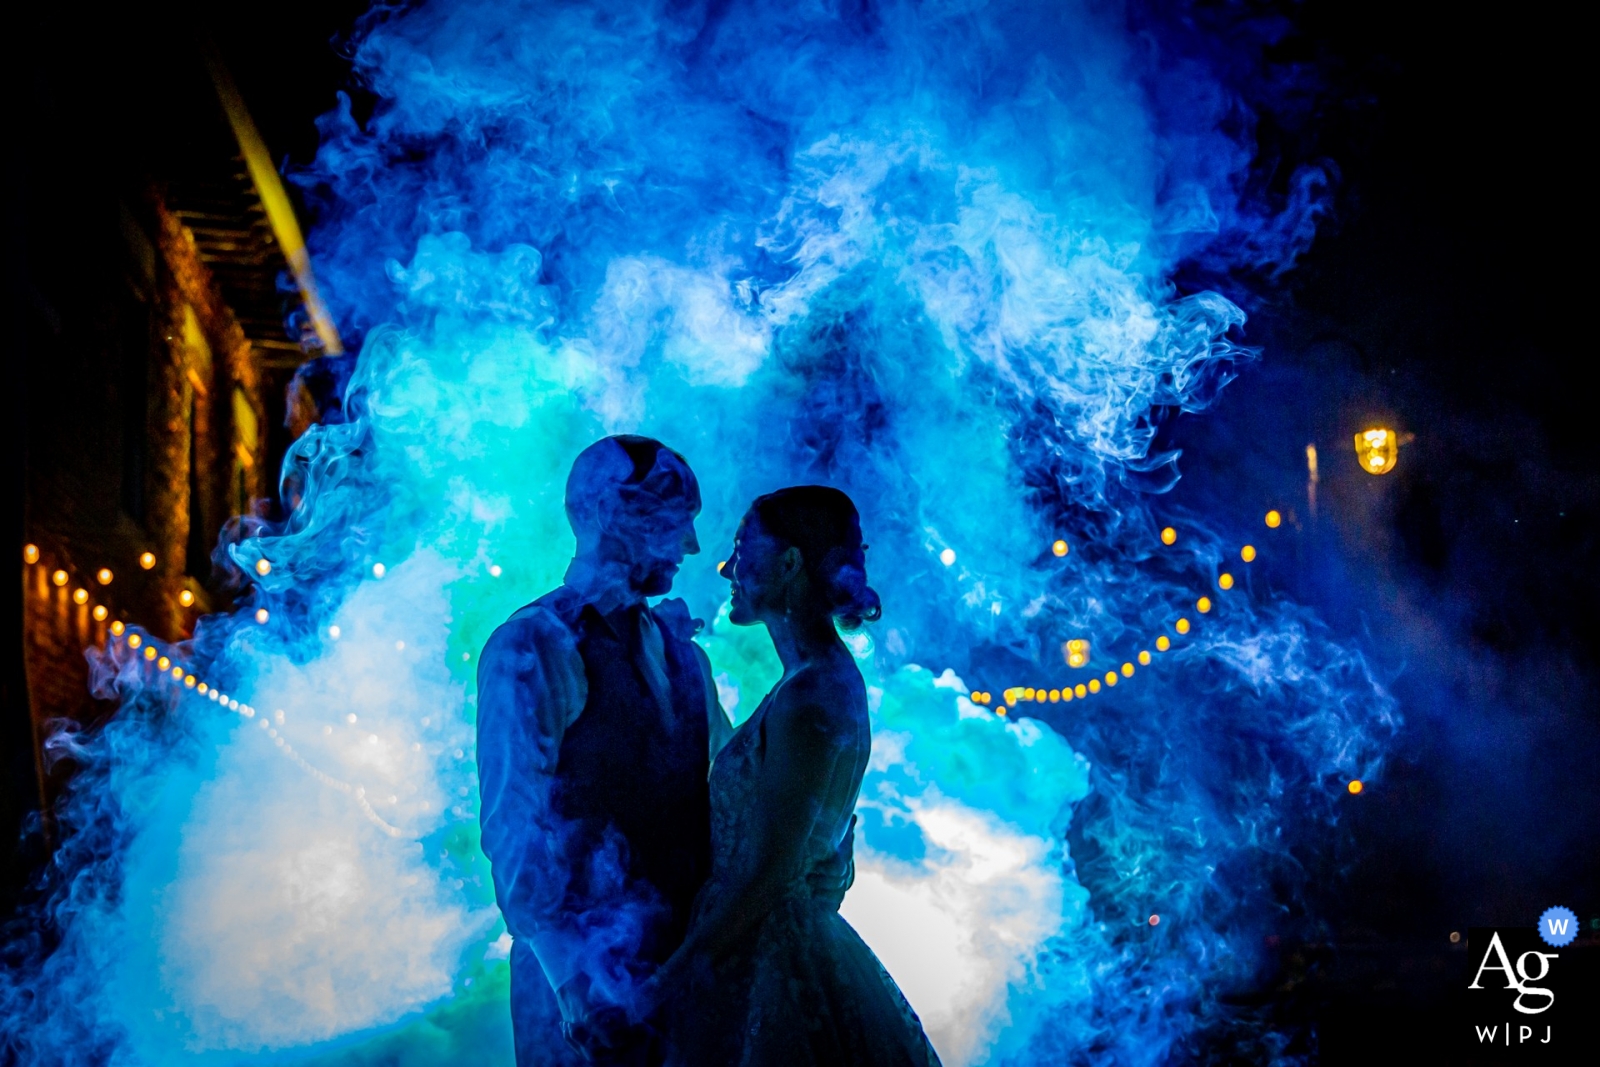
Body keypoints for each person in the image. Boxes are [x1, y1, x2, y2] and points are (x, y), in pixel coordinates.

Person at [637, 485, 943, 1067]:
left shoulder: (812, 694)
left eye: (742, 547)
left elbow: (769, 872)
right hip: (772, 947)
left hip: (767, 961)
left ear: (789, 563)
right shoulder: (812, 682)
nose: (727, 566)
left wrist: (664, 985)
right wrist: (683, 665)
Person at [476, 436, 733, 1065]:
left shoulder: (687, 656)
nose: (693, 546)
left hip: (682, 976)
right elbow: (514, 824)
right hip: (578, 1001)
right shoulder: (534, 643)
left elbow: (725, 786)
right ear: (610, 514)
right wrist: (572, 981)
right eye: (676, 521)